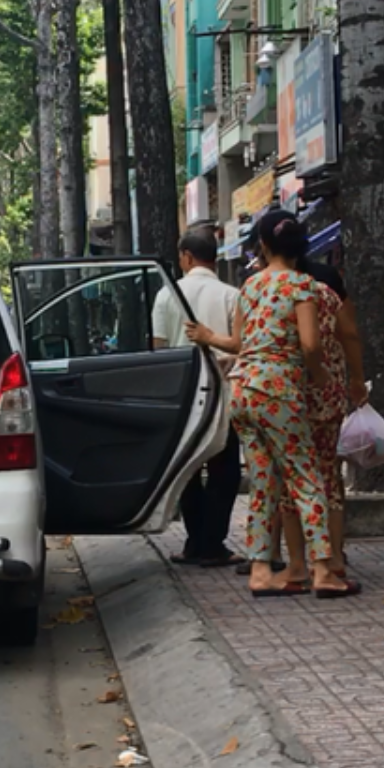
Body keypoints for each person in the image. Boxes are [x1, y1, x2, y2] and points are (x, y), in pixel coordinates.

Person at [186, 217, 358, 598]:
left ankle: (261, 569)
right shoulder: (303, 287)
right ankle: (323, 570)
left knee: (263, 481)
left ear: (262, 246)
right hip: (279, 388)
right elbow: (311, 345)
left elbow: (238, 343)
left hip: (243, 389)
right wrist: (319, 376)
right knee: (306, 476)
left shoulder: (250, 286)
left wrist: (208, 336)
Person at [152, 230, 243, 567]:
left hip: (184, 396)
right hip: (223, 393)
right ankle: (212, 542)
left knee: (187, 468)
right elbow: (240, 345)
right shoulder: (232, 295)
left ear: (187, 257)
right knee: (225, 467)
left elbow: (159, 351)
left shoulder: (167, 295)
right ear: (214, 258)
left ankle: (196, 541)